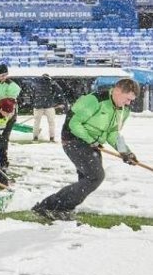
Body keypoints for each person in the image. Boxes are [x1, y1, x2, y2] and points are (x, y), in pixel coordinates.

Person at [32, 78, 140, 221]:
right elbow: (74, 123)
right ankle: (49, 206)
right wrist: (91, 140)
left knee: (86, 181)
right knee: (95, 176)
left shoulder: (123, 110)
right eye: (127, 99)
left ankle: (63, 208)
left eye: (131, 100)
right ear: (117, 91)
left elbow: (113, 133)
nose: (128, 103)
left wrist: (125, 151)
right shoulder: (94, 100)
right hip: (73, 139)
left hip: (92, 143)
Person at [31, 73, 65, 142]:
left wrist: (34, 103)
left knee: (36, 122)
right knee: (51, 122)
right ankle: (52, 138)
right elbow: (59, 92)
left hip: (38, 105)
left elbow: (32, 95)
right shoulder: (52, 83)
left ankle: (35, 138)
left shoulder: (36, 83)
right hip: (49, 105)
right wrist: (60, 102)